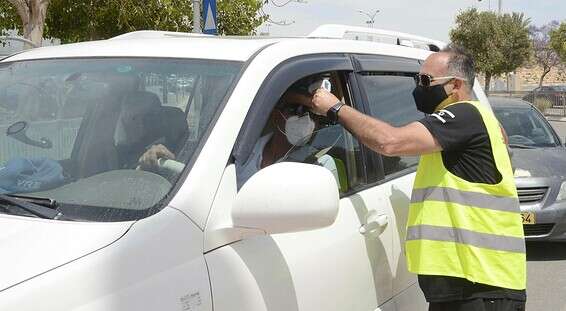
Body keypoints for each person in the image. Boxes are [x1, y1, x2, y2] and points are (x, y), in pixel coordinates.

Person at [307, 44, 526, 311]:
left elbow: (389, 142)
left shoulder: (464, 115)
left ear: (455, 85)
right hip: (468, 285)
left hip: (480, 286)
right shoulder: (475, 122)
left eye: (425, 80)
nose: (418, 87)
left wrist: (336, 108)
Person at [139, 85, 339, 187]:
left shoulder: (319, 164)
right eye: (295, 109)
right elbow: (200, 180)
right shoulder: (237, 152)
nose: (304, 118)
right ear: (274, 112)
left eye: (310, 112)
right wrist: (162, 162)